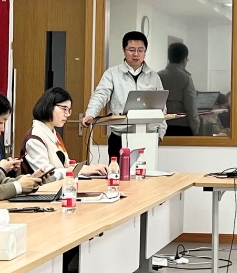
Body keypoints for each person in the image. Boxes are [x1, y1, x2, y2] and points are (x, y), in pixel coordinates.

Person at [81, 31, 167, 159]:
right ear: (124, 50)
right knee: (117, 171)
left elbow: (162, 107)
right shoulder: (112, 74)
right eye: (131, 50)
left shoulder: (154, 76)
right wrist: (90, 114)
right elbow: (100, 95)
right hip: (119, 136)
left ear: (145, 52)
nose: (136, 54)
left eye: (140, 50)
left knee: (146, 171)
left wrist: (160, 134)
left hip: (148, 135)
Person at [20, 87, 107, 183]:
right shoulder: (34, 138)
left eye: (69, 110)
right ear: (49, 106)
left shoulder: (53, 134)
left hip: (58, 187)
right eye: (64, 109)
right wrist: (80, 171)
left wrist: (90, 168)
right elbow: (47, 175)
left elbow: (66, 165)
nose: (67, 114)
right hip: (41, 190)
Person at [158, 42, 198, 136]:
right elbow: (191, 106)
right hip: (182, 127)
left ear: (169, 58)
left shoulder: (158, 76)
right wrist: (195, 128)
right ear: (184, 59)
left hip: (162, 126)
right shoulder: (185, 77)